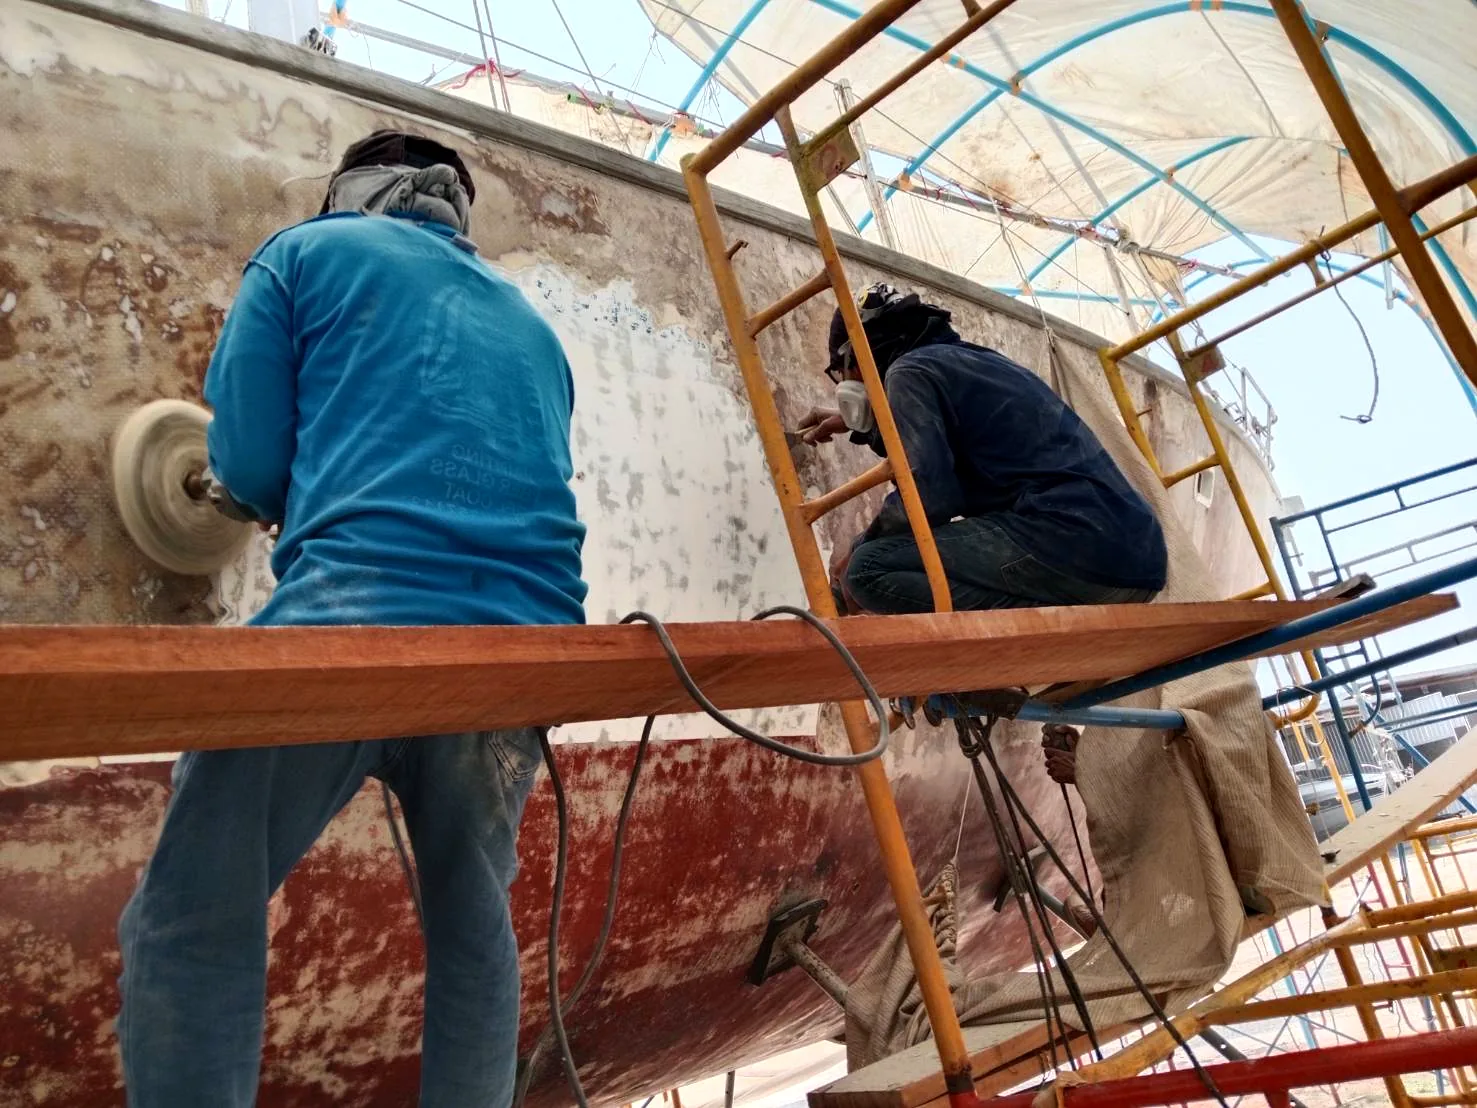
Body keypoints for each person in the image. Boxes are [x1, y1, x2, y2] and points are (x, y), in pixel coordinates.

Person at [116, 131, 588, 1108]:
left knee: (192, 917)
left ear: (347, 193)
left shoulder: (304, 252)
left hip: (356, 620)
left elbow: (250, 466)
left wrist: (262, 496)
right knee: (472, 928)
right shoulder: (534, 327)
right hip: (524, 657)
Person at [797, 283, 1167, 617]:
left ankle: (1027, 638)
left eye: (843, 371)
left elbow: (929, 496)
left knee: (868, 569)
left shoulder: (907, 374)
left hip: (1071, 546)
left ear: (859, 354)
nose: (847, 383)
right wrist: (867, 422)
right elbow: (947, 438)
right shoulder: (972, 361)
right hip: (1136, 560)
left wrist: (857, 548)